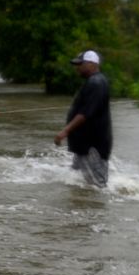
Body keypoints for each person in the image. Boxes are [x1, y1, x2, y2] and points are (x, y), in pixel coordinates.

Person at [55, 50, 113, 187]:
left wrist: (65, 132)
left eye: (80, 64)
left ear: (92, 64)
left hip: (92, 146)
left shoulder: (96, 83)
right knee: (79, 183)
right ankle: (82, 207)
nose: (77, 67)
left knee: (97, 186)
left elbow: (85, 114)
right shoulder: (94, 81)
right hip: (85, 144)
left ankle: (96, 208)